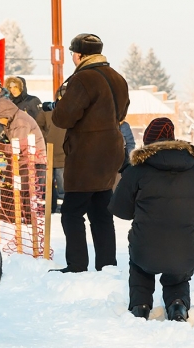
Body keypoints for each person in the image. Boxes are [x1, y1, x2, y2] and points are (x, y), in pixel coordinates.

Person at [108, 118, 194, 321]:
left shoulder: (136, 170)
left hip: (146, 248)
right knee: (178, 270)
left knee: (140, 265)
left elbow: (120, 209)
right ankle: (178, 305)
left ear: (148, 141)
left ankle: (140, 306)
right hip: (185, 248)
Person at [50, 33, 130, 273]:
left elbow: (63, 117)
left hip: (87, 155)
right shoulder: (117, 77)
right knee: (101, 211)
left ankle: (76, 265)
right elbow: (123, 112)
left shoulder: (82, 79)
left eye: (73, 54)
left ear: (79, 54)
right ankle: (107, 265)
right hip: (112, 150)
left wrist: (60, 103)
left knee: (71, 213)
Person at [0, 97, 47, 223]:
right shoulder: (13, 120)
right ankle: (16, 216)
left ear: (6, 114)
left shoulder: (20, 122)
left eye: (0, 118)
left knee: (26, 189)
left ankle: (28, 219)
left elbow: (17, 146)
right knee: (19, 187)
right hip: (24, 160)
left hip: (33, 161)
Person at [37, 109, 66, 213]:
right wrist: (46, 137)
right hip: (48, 155)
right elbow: (38, 126)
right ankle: (50, 207)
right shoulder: (46, 112)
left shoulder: (70, 111)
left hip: (61, 156)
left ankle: (60, 207)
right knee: (48, 185)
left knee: (60, 186)